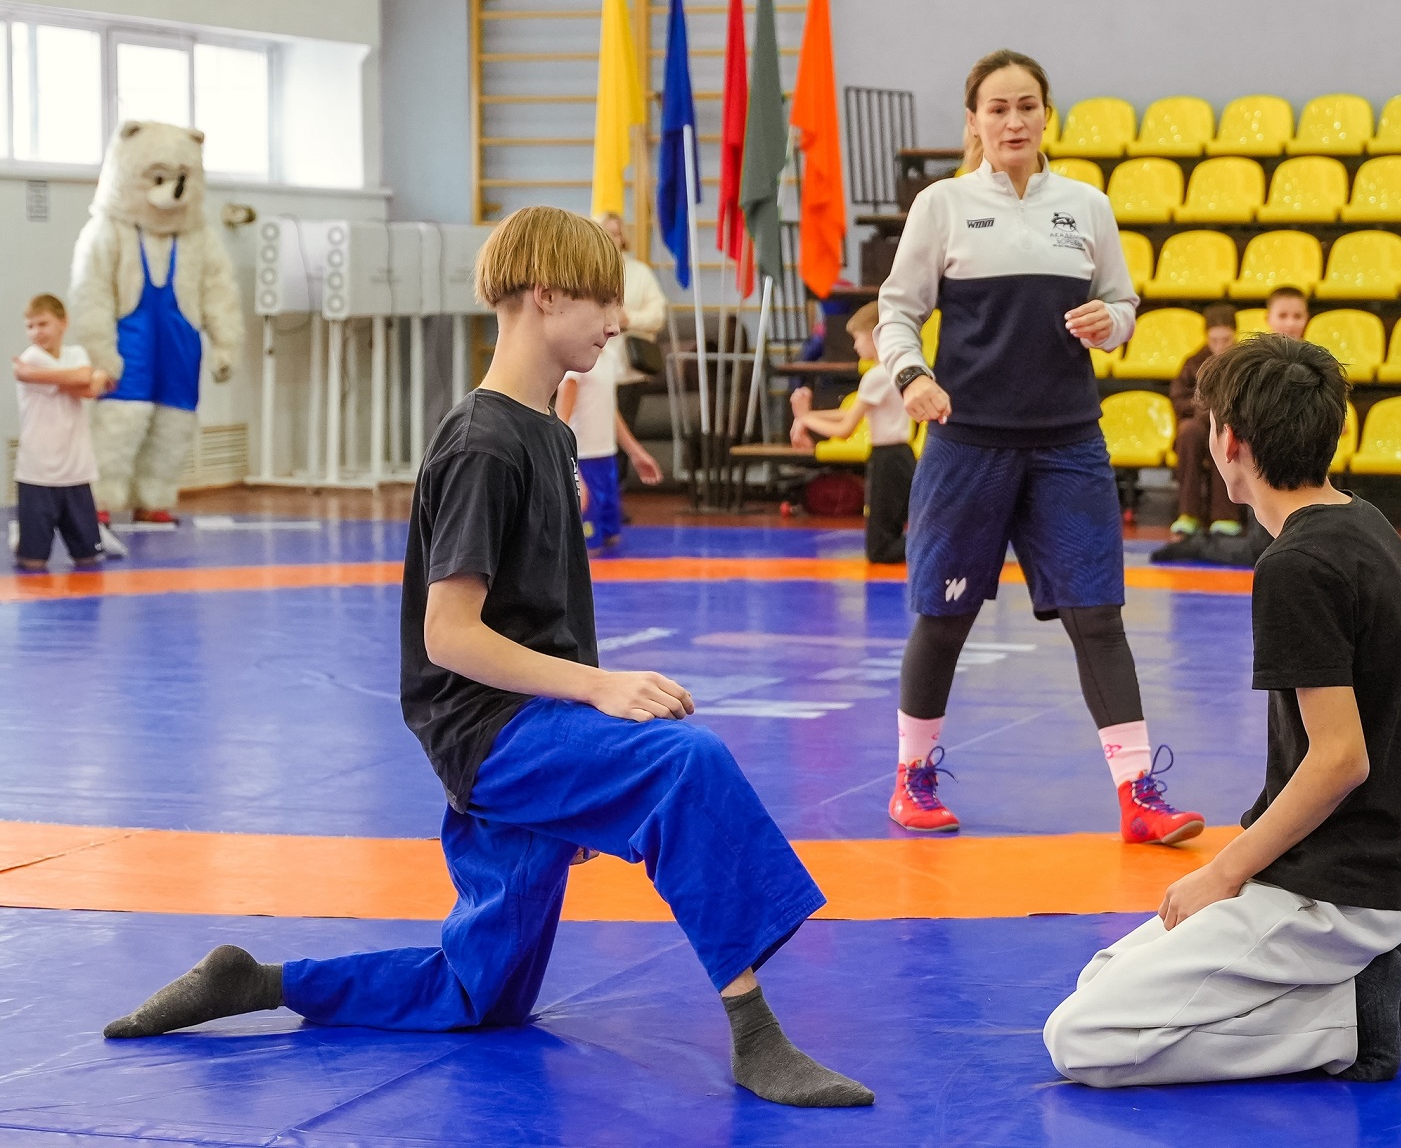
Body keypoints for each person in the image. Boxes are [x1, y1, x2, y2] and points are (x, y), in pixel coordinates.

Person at [100, 207, 873, 1109]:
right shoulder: (483, 442)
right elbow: (450, 635)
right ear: (544, 295)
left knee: (480, 990)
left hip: (540, 721)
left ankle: (258, 980)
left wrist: (581, 772)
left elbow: (543, 610)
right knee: (684, 764)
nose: (617, 321)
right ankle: (755, 1034)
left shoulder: (545, 430)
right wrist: (599, 694)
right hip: (492, 727)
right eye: (602, 302)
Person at [1043, 334, 1401, 1087]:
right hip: (1337, 874)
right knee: (1102, 979)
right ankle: (1337, 998)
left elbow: (1341, 759)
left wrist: (1222, 873)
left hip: (1333, 894)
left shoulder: (1297, 565)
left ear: (1229, 443)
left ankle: (1346, 1021)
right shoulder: (1364, 523)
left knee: (1081, 1038)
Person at [875, 48, 1204, 842]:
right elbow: (897, 311)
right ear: (974, 121)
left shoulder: (1086, 206)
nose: (1014, 121)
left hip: (1068, 445)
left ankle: (1138, 796)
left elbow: (1123, 305)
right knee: (944, 616)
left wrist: (1110, 321)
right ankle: (912, 778)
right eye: (998, 108)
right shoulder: (942, 205)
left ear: (1047, 115)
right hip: (966, 445)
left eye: (1027, 106)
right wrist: (912, 376)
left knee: (1099, 618)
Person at [1155, 289, 1309, 565]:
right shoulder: (1245, 361)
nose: (1289, 323)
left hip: (1278, 449)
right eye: (1283, 315)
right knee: (1199, 433)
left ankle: (1222, 522)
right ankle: (1191, 518)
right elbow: (1182, 399)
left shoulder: (1261, 360)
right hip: (1240, 439)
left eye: (1296, 316)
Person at [790, 301, 913, 564]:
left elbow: (845, 429)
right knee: (886, 535)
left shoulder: (877, 376)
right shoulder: (893, 369)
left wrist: (805, 418)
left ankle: (941, 545)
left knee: (879, 549)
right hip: (898, 456)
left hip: (888, 460)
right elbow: (848, 413)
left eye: (858, 338)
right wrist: (806, 416)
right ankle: (937, 543)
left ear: (876, 336)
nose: (855, 346)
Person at [11, 294, 104, 571]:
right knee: (33, 562)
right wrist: (96, 376)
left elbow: (84, 383)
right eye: (30, 326)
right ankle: (22, 539)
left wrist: (29, 374)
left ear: (63, 323)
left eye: (43, 324)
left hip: (76, 471)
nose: (36, 333)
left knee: (88, 557)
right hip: (37, 473)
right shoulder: (32, 357)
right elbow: (85, 383)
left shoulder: (75, 354)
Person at [555, 335, 663, 554]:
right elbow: (559, 424)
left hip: (606, 458)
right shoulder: (576, 364)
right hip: (583, 460)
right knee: (590, 546)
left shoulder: (609, 357)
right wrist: (572, 474)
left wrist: (636, 452)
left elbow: (610, 410)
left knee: (611, 538)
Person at [1169, 304, 1241, 538]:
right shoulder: (1193, 363)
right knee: (1187, 432)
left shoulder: (1245, 362)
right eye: (1214, 340)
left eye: (1226, 340)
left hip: (1235, 425)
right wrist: (1204, 408)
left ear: (1235, 335)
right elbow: (1179, 399)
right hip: (1200, 423)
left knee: (1227, 437)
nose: (1219, 346)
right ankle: (1188, 513)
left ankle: (1225, 515)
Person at [595, 211, 667, 442]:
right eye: (605, 233)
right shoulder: (583, 273)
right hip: (592, 370)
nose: (612, 239)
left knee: (624, 440)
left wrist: (629, 320)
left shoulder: (639, 273)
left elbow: (658, 316)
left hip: (628, 370)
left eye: (616, 234)